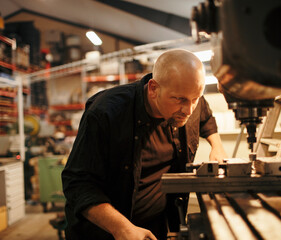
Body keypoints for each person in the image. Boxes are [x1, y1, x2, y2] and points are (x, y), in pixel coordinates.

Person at [62, 49, 227, 240]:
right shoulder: (106, 112)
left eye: (195, 99)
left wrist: (217, 146)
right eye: (180, 100)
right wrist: (121, 228)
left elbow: (205, 117)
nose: (188, 110)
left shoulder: (189, 98)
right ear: (154, 88)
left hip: (154, 228)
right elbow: (78, 184)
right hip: (105, 231)